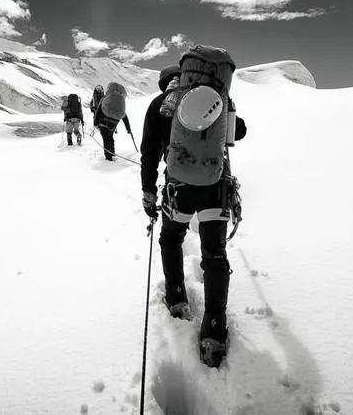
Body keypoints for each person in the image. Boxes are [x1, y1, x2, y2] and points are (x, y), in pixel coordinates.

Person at [140, 49, 246, 368]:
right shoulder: (220, 99)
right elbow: (239, 132)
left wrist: (148, 194)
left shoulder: (160, 105)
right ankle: (213, 329)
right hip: (216, 186)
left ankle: (176, 299)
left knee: (171, 239)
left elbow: (148, 153)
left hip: (178, 189)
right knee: (214, 254)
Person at [93, 83, 131, 161]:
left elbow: (98, 110)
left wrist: (95, 122)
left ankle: (108, 158)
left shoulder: (105, 98)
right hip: (114, 122)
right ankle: (112, 153)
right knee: (110, 136)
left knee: (105, 138)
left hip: (103, 120)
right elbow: (124, 115)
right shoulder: (119, 102)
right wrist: (128, 128)